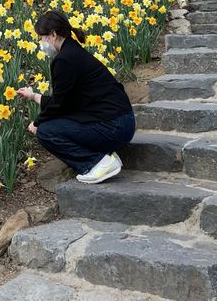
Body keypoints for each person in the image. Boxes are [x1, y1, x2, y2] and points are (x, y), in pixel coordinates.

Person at [17, 10, 135, 184]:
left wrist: (36, 123)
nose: (41, 43)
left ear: (53, 34)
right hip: (121, 123)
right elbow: (66, 102)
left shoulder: (64, 60)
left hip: (114, 127)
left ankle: (96, 163)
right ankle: (105, 157)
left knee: (46, 131)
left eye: (41, 38)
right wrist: (33, 95)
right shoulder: (73, 51)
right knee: (55, 122)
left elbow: (59, 105)